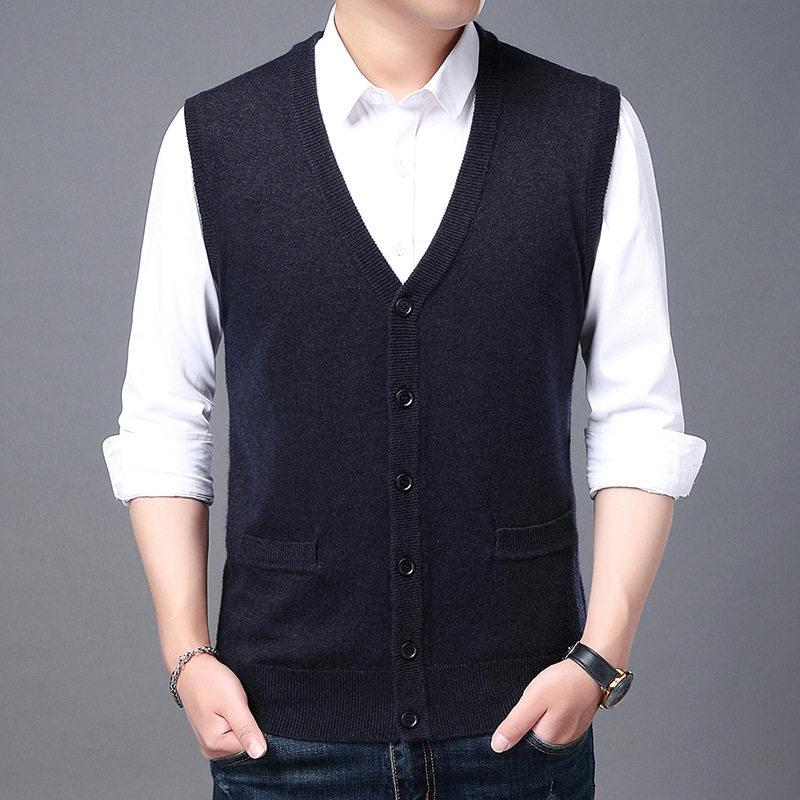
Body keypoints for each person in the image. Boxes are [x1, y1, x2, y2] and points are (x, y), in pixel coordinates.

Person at [101, 1, 707, 797]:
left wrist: (601, 656)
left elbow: (639, 417)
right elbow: (163, 420)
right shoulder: (215, 140)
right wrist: (186, 655)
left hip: (521, 730)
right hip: (283, 734)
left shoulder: (589, 131)